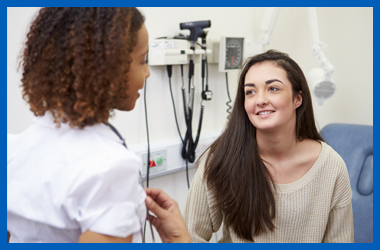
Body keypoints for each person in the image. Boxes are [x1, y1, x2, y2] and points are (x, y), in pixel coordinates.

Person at [7, 7, 190, 243]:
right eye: (142, 61)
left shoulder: (12, 149)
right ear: (108, 68)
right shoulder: (110, 167)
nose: (147, 73)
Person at [183, 50, 354, 243]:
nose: (260, 100)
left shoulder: (331, 166)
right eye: (250, 92)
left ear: (298, 99)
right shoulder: (221, 158)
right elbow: (188, 238)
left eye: (273, 88)